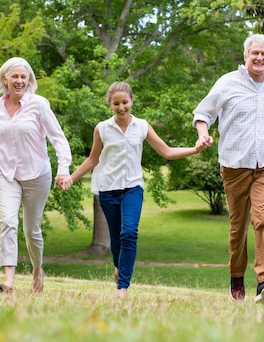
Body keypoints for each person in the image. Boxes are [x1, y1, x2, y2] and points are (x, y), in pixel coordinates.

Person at [61, 81, 209, 299]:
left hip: (133, 188)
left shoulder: (142, 126)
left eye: (125, 102)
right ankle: (118, 267)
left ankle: (122, 287)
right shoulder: (102, 129)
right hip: (108, 190)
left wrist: (195, 150)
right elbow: (93, 159)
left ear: (131, 101)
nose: (121, 107)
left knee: (129, 233)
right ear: (110, 104)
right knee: (116, 240)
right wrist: (71, 178)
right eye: (116, 103)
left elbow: (166, 151)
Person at [192, 33, 264, 303]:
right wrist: (202, 134)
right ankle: (237, 276)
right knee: (238, 228)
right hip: (235, 166)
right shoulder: (228, 83)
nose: (260, 58)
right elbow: (203, 113)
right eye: (255, 54)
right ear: (246, 56)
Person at [0, 57, 72, 294]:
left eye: (24, 77)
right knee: (8, 221)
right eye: (15, 76)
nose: (20, 81)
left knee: (31, 230)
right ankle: (9, 281)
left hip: (37, 174)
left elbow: (58, 139)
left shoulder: (39, 105)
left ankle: (37, 268)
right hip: (6, 173)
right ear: (5, 79)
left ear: (29, 80)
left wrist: (64, 169)